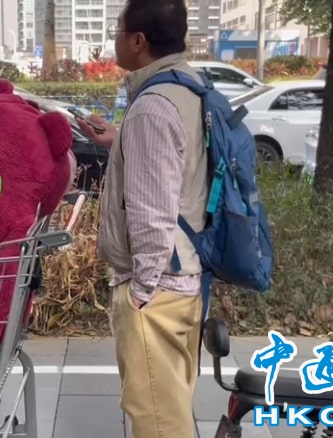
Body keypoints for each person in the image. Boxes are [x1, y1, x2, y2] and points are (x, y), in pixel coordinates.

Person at [76, 0, 207, 437]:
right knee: (171, 413)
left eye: (117, 30)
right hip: (186, 277)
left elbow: (153, 212)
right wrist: (121, 139)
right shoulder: (189, 85)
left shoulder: (152, 107)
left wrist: (140, 295)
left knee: (158, 424)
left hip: (157, 292)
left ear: (138, 41)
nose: (113, 39)